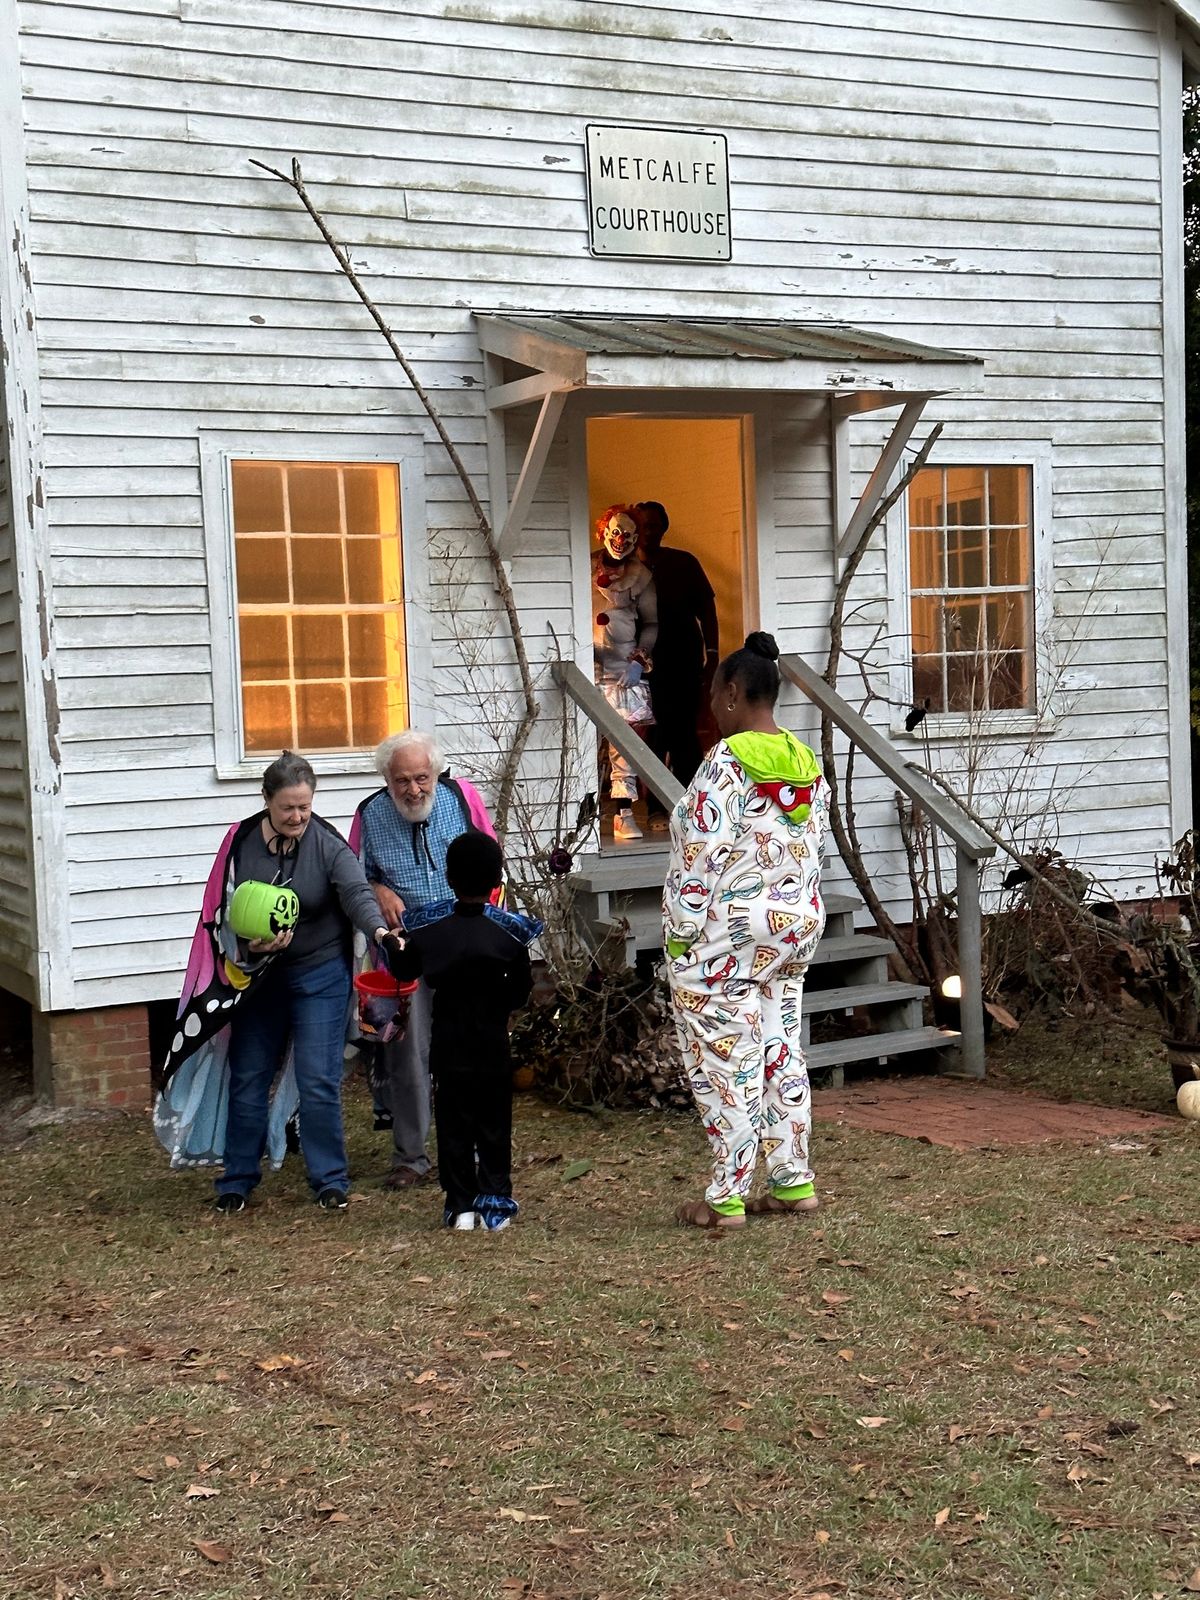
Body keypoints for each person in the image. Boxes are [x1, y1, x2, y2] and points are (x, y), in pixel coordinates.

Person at [154, 751, 391, 1214]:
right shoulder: (240, 843)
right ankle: (237, 1180)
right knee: (248, 1077)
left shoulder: (325, 842)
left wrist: (379, 930)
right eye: (288, 808)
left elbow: (356, 892)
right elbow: (218, 911)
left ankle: (329, 1180)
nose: (298, 816)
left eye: (305, 806)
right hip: (257, 981)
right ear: (266, 800)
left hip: (319, 975)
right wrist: (248, 950)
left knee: (318, 1080)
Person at [662, 633, 830, 1230]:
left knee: (725, 1058)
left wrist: (680, 939)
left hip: (726, 940)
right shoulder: (807, 766)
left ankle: (725, 1198)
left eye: (714, 693)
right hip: (792, 932)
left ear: (733, 693)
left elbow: (698, 862)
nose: (711, 704)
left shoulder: (721, 770)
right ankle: (792, 1182)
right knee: (780, 1050)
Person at [349, 730, 495, 1189]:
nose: (413, 790)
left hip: (464, 945)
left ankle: (470, 1148)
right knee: (406, 1054)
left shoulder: (460, 799)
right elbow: (355, 877)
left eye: (421, 778)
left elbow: (492, 864)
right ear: (386, 781)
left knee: (465, 1050)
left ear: (436, 773)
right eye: (401, 781)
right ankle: (410, 1157)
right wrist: (377, 890)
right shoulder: (369, 816)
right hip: (404, 952)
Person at [382, 831, 540, 1232]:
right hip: (491, 1042)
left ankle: (459, 1205)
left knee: (453, 1122)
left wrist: (390, 944)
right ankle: (495, 1201)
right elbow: (521, 990)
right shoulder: (510, 932)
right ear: (495, 881)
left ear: (450, 879)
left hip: (448, 1041)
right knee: (493, 1121)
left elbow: (406, 970)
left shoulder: (429, 928)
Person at [637, 500, 719, 823]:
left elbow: (708, 612)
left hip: (683, 663)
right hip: (641, 669)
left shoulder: (684, 563)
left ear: (664, 528)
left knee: (683, 733)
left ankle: (694, 805)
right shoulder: (624, 569)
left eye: (654, 525)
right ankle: (657, 807)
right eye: (642, 525)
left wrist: (712, 657)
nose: (648, 532)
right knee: (652, 734)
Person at [592, 504, 658, 842]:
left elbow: (651, 623)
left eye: (628, 534)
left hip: (622, 669)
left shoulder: (641, 576)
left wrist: (638, 660)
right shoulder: (585, 566)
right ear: (603, 530)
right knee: (584, 741)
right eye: (616, 531)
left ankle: (623, 813)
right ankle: (583, 813)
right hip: (588, 666)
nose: (621, 539)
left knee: (625, 744)